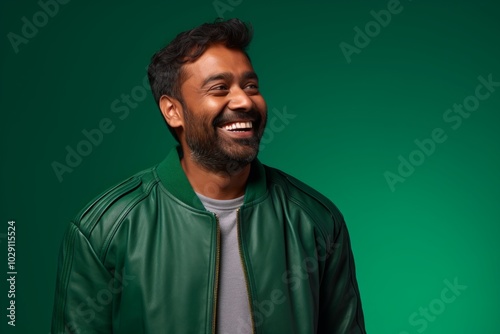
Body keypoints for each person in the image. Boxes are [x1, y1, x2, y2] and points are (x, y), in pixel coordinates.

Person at [51, 18, 366, 334]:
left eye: (251, 86)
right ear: (173, 111)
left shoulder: (316, 221)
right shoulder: (104, 231)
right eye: (220, 88)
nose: (244, 100)